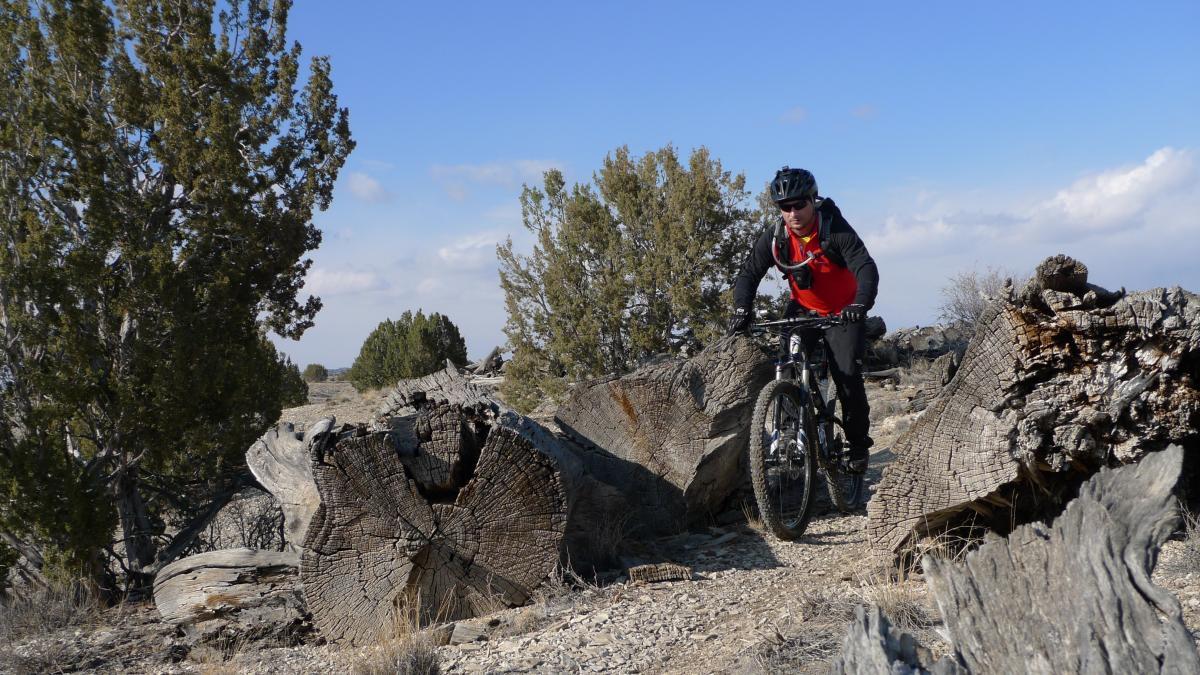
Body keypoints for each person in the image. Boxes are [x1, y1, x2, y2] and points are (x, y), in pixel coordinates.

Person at [727, 166, 879, 474]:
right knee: (787, 363)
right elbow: (748, 275)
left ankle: (858, 445)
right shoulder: (776, 237)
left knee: (848, 376)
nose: (793, 212)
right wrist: (742, 309)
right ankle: (790, 431)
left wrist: (860, 303)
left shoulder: (834, 229)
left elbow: (865, 267)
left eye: (800, 204)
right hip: (803, 310)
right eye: (786, 207)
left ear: (813, 200)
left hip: (843, 312)